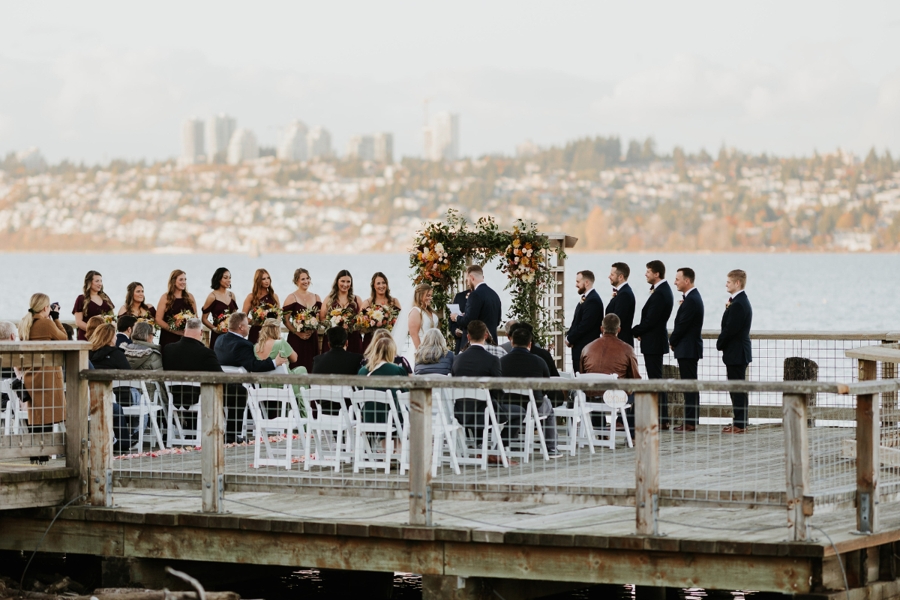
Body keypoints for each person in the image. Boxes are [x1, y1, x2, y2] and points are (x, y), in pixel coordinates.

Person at [451, 320, 524, 465]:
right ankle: (497, 451)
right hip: (485, 413)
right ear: (485, 335)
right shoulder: (492, 360)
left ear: (468, 336)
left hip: (460, 412)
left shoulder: (457, 359)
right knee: (519, 412)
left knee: (482, 405)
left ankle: (481, 450)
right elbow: (498, 389)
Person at [499, 323, 560, 458]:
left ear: (512, 342)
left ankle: (510, 445)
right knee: (549, 409)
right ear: (530, 344)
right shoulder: (539, 361)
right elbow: (547, 387)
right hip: (533, 405)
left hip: (507, 404)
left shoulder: (502, 361)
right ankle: (551, 448)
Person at [631, 260, 674, 429]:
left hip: (654, 343)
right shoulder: (662, 291)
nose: (645, 274)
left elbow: (651, 320)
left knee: (656, 381)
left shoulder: (661, 293)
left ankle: (661, 418)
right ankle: (660, 417)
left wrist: (636, 331)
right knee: (655, 379)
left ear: (657, 274)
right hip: (653, 340)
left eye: (648, 271)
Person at [162, 318, 223, 437]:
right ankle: (232, 433)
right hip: (197, 396)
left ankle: (191, 429)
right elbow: (221, 376)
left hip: (174, 394)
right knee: (239, 392)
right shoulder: (206, 353)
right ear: (201, 333)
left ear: (185, 331)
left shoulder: (168, 349)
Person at [717, 269, 753, 434]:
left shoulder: (738, 304)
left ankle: (739, 425)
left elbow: (731, 329)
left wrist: (719, 343)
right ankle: (741, 422)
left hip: (737, 352)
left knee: (737, 389)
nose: (726, 284)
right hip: (738, 352)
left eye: (729, 282)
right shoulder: (739, 301)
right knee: (738, 388)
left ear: (737, 283)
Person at [670, 268, 704, 433]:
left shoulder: (691, 300)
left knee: (689, 386)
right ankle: (692, 420)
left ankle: (690, 422)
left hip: (688, 348)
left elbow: (682, 324)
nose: (675, 282)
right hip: (688, 348)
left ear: (687, 281)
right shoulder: (692, 298)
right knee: (690, 385)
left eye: (677, 279)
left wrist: (672, 340)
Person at [357, 336, 408, 424]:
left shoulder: (362, 371)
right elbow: (405, 394)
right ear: (392, 352)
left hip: (368, 416)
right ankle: (396, 438)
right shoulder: (397, 370)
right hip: (391, 417)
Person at [215, 312, 288, 372]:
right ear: (241, 327)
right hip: (240, 385)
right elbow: (254, 366)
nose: (248, 327)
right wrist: (275, 362)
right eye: (247, 324)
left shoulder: (219, 339)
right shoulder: (243, 345)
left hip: (222, 383)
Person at [450, 265, 502, 348]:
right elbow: (498, 321)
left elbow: (468, 321)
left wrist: (456, 317)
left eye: (467, 280)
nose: (467, 284)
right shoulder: (494, 294)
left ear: (471, 277)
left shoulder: (475, 295)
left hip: (477, 345)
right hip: (492, 343)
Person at [282, 268, 322, 371]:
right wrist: (298, 333)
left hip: (312, 338)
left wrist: (312, 330)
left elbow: (320, 318)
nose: (306, 281)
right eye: (303, 279)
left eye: (307, 278)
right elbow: (285, 320)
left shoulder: (316, 297)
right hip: (297, 339)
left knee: (312, 366)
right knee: (297, 366)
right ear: (296, 281)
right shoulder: (291, 298)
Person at [566, 270, 604, 373]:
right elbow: (577, 321)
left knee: (582, 379)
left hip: (585, 349)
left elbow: (585, 325)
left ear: (586, 282)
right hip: (580, 348)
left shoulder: (593, 300)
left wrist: (570, 338)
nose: (576, 285)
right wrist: (569, 333)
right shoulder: (587, 298)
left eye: (578, 282)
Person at [319, 269, 364, 354]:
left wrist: (351, 325)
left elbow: (361, 319)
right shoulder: (329, 299)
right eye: (342, 281)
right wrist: (334, 323)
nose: (345, 284)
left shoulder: (357, 299)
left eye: (348, 282)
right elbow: (322, 318)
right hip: (334, 340)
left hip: (352, 339)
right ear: (337, 282)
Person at [360, 272, 402, 353]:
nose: (381, 286)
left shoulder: (394, 302)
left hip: (390, 342)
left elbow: (401, 323)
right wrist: (371, 323)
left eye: (383, 283)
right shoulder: (367, 303)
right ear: (373, 286)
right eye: (378, 283)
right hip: (371, 343)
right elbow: (361, 328)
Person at [155, 270, 198, 349]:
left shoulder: (190, 297)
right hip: (169, 338)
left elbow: (196, 318)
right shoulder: (165, 297)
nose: (184, 282)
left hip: (187, 338)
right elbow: (158, 319)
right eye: (181, 279)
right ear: (174, 281)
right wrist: (175, 331)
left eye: (185, 279)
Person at [202, 267, 239, 350]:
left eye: (230, 278)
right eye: (225, 278)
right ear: (218, 279)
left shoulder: (231, 295)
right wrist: (215, 329)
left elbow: (235, 316)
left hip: (231, 335)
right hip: (218, 337)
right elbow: (204, 319)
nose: (228, 280)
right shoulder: (212, 296)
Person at [73, 270, 115, 341]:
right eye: (97, 281)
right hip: (87, 337)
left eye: (101, 281)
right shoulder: (81, 299)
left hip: (103, 338)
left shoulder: (105, 297)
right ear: (89, 282)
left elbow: (112, 318)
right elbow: (78, 322)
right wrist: (95, 331)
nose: (100, 284)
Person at [242, 268, 280, 344]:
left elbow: (279, 314)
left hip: (271, 332)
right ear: (258, 281)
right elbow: (243, 316)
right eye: (263, 279)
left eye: (268, 278)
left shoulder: (274, 296)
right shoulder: (251, 297)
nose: (267, 281)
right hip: (256, 332)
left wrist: (276, 327)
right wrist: (254, 322)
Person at [606, 262, 635, 347]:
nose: (609, 276)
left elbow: (617, 319)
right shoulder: (622, 292)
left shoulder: (624, 294)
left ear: (621, 277)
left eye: (612, 274)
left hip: (620, 343)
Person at [407, 283, 438, 352]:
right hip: (420, 348)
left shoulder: (430, 310)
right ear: (420, 296)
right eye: (428, 295)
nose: (430, 298)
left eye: (431, 296)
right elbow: (414, 334)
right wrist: (421, 353)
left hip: (433, 348)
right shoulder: (415, 311)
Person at [448, 288, 470, 353]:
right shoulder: (460, 296)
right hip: (461, 343)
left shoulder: (482, 296)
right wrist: (455, 331)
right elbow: (451, 319)